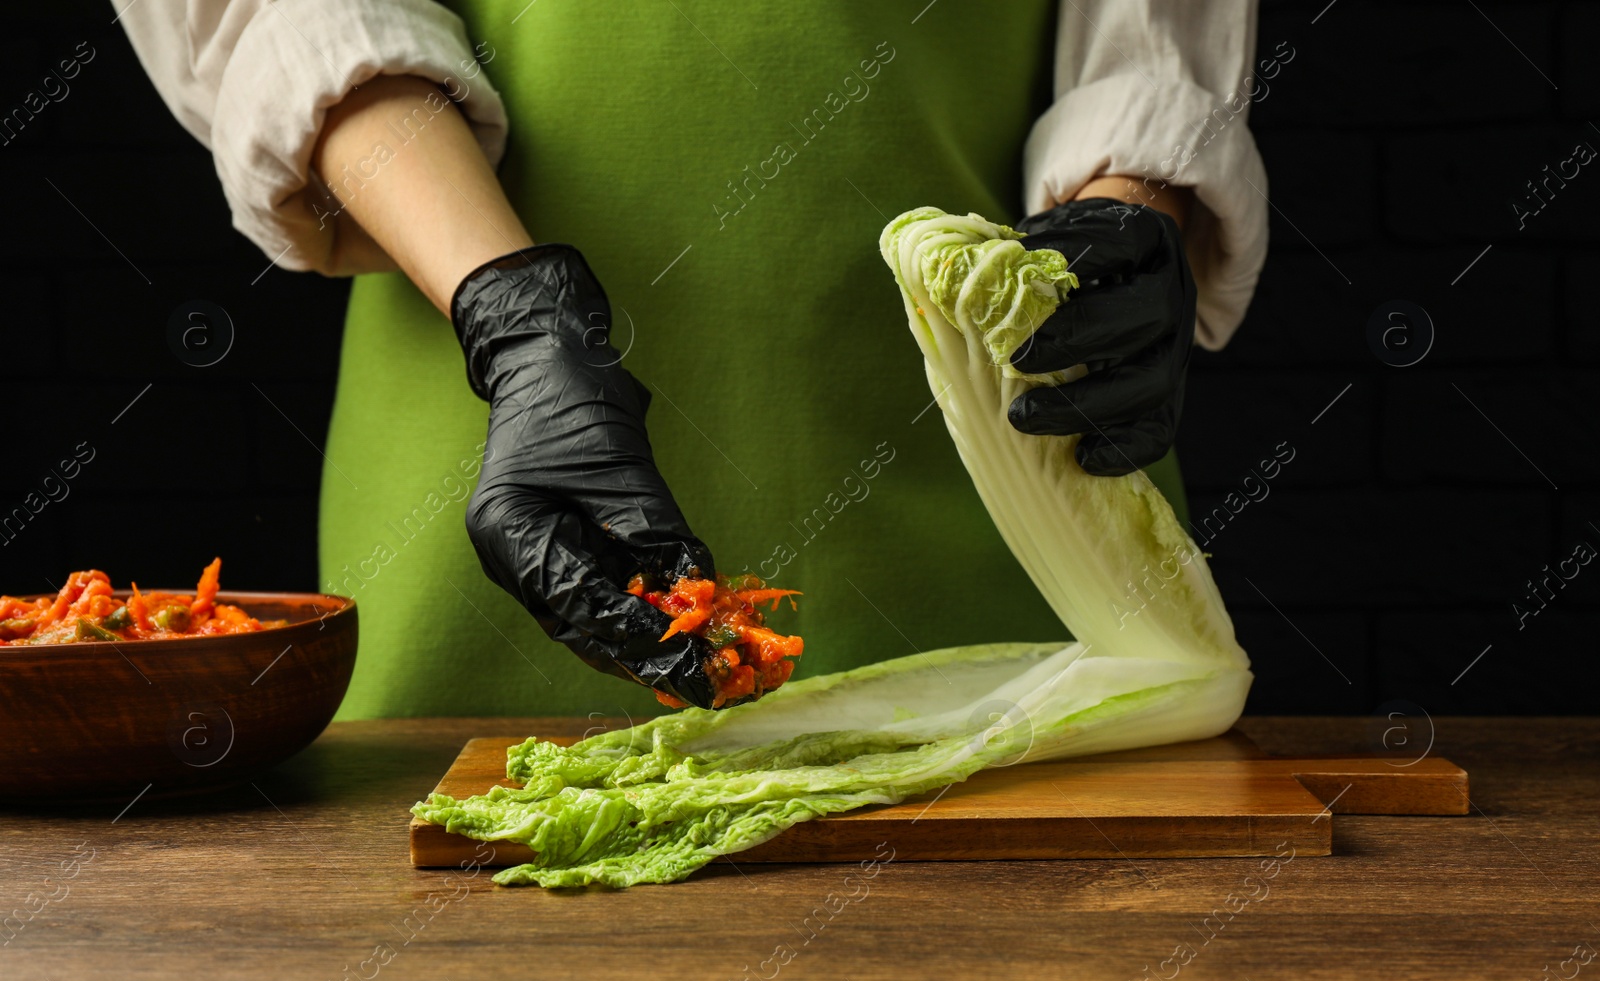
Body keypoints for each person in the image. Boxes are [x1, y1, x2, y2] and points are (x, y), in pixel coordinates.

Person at [120, 1, 1267, 718]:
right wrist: (515, 318)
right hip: (487, 462)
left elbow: (1145, 47)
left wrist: (1128, 215)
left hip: (1011, 506)